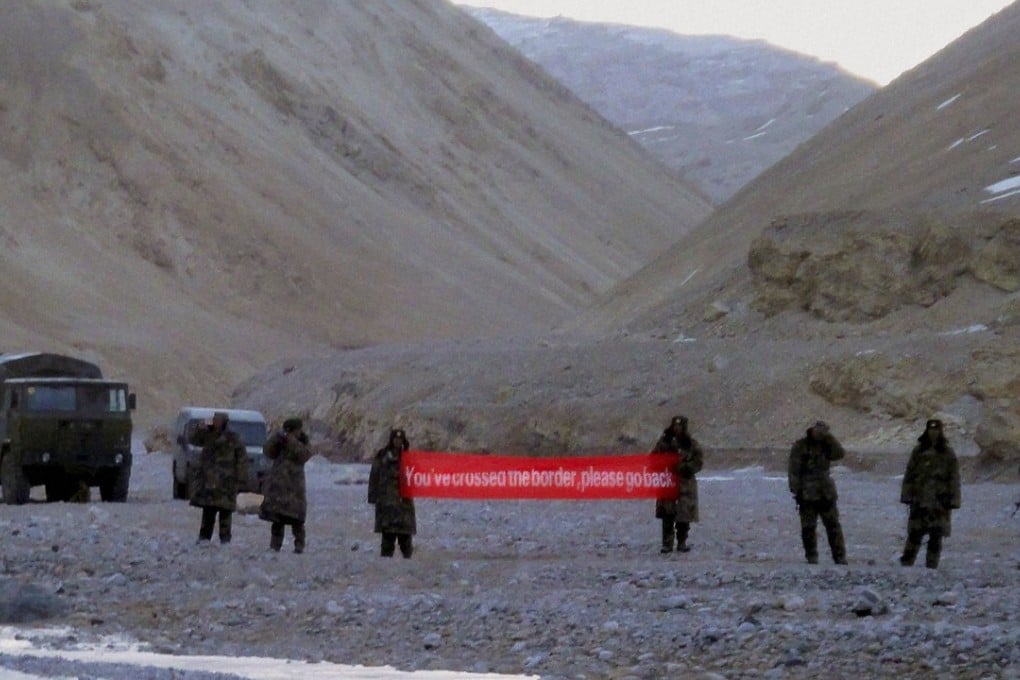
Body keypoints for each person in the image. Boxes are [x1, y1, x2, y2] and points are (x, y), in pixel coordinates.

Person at [899, 418, 961, 569]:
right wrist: (906, 496)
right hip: (919, 500)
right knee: (914, 534)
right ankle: (907, 563)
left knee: (936, 536)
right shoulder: (918, 451)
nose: (933, 433)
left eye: (936, 430)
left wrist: (954, 500)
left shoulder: (947, 453)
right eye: (931, 429)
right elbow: (909, 475)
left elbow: (954, 478)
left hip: (939, 502)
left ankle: (931, 566)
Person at [788, 420, 848, 565]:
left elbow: (839, 453)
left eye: (823, 432)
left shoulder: (827, 445)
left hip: (825, 493)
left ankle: (839, 557)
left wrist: (829, 438)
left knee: (833, 526)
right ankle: (811, 557)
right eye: (819, 432)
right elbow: (793, 470)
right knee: (808, 527)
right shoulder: (800, 446)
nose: (820, 435)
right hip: (807, 494)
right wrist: (796, 490)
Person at [188, 411, 248, 544]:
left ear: (224, 421)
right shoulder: (207, 434)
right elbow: (193, 439)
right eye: (214, 419)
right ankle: (204, 537)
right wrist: (200, 427)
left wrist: (241, 478)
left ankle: (225, 538)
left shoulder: (233, 437)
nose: (215, 422)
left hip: (227, 480)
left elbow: (241, 458)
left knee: (225, 511)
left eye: (218, 420)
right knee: (208, 510)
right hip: (209, 479)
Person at [259, 417, 314, 553]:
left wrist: (291, 440)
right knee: (277, 518)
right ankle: (275, 546)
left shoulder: (303, 442)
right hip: (279, 486)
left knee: (297, 519)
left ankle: (299, 546)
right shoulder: (280, 442)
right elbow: (268, 452)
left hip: (295, 487)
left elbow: (304, 455)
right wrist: (276, 439)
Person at [653, 415, 703, 553]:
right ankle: (667, 543)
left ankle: (682, 542)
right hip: (668, 483)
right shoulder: (664, 443)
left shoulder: (691, 444)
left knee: (684, 516)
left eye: (680, 426)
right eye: (675, 426)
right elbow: (653, 458)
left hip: (685, 485)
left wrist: (684, 468)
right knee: (667, 515)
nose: (677, 428)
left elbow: (698, 462)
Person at [368, 428, 416, 558]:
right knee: (387, 541)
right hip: (387, 505)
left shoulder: (408, 457)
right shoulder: (382, 455)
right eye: (395, 439)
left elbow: (417, 477)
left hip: (403, 506)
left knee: (405, 541)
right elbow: (374, 476)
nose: (397, 441)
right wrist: (373, 497)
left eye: (400, 439)